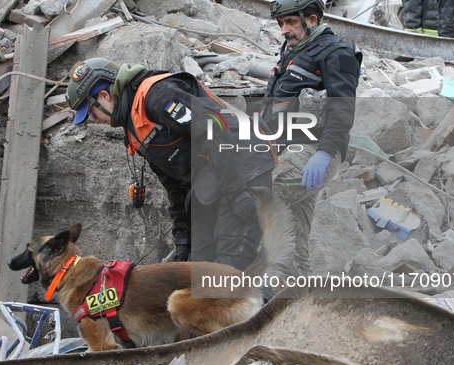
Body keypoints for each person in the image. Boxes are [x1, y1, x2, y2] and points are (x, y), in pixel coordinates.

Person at [65, 58, 276, 270]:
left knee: (231, 261)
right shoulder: (135, 126)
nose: (95, 120)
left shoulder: (156, 94)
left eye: (91, 112)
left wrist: (237, 192)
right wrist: (183, 242)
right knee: (198, 266)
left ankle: (267, 298)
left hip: (243, 158)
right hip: (212, 171)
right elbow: (175, 184)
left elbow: (214, 129)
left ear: (104, 96)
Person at [262, 0, 362, 276]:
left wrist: (325, 153)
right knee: (294, 234)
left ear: (313, 20)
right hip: (287, 151)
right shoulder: (294, 53)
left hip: (315, 151)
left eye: (291, 22)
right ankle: (299, 296)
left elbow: (343, 108)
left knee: (262, 191)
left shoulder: (336, 53)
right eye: (281, 23)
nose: (284, 30)